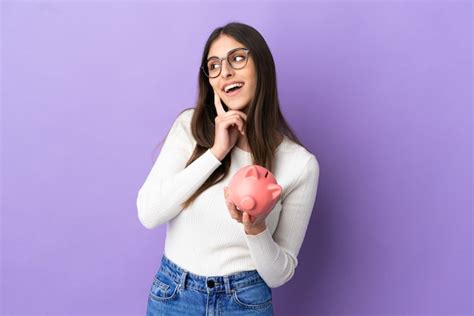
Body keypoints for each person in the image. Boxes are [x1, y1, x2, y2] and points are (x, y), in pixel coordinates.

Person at [136, 21, 320, 316]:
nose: (225, 72)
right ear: (209, 81)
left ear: (262, 66)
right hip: (174, 296)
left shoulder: (299, 164)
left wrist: (256, 227)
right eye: (214, 65)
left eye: (237, 58)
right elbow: (149, 213)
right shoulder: (189, 128)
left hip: (245, 302)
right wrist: (215, 153)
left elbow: (279, 273)